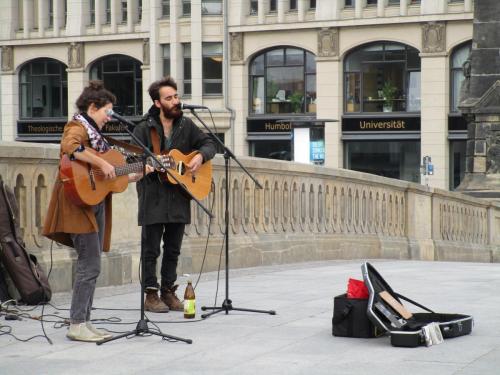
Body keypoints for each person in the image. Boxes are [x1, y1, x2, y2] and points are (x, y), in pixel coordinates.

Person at [42, 81, 150, 342]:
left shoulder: (96, 136)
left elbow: (108, 177)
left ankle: (85, 321)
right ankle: (77, 323)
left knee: (92, 265)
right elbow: (70, 147)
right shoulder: (77, 127)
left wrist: (137, 173)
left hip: (93, 203)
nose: (108, 118)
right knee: (89, 266)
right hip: (77, 205)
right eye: (107, 112)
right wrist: (102, 161)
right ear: (93, 107)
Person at [132, 76, 216, 313]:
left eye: (176, 96)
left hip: (179, 195)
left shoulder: (186, 125)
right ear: (157, 103)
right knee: (151, 249)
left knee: (173, 248)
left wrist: (200, 156)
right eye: (169, 98)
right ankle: (150, 294)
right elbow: (134, 160)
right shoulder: (143, 128)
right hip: (153, 196)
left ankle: (168, 291)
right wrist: (148, 164)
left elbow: (210, 143)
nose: (175, 101)